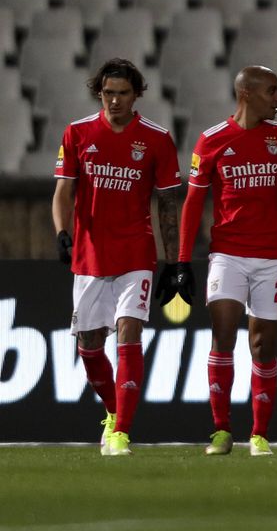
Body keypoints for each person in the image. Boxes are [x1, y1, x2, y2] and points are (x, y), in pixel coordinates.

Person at [177, 65, 277, 457]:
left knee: (262, 345)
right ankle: (220, 429)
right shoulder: (211, 141)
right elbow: (193, 203)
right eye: (272, 91)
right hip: (227, 253)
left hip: (271, 257)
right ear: (246, 94)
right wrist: (181, 260)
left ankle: (259, 433)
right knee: (223, 333)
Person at [52, 58, 182, 456]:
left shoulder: (157, 140)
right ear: (99, 93)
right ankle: (113, 411)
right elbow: (62, 191)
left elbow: (167, 205)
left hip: (135, 253)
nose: (114, 100)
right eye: (108, 93)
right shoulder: (77, 133)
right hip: (91, 255)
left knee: (130, 331)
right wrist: (61, 231)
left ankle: (122, 432)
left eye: (122, 93)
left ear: (136, 94)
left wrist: (174, 261)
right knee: (89, 349)